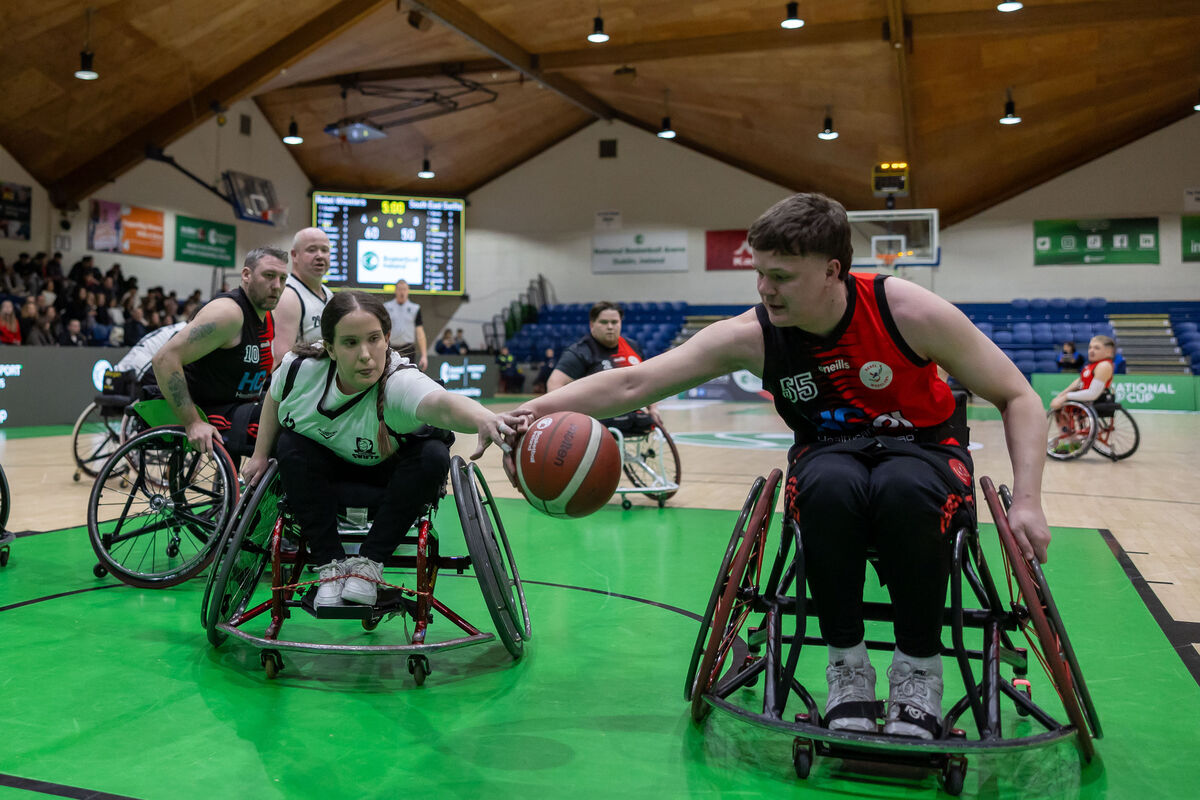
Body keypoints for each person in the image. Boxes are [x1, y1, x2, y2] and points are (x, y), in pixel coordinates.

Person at [509, 192, 1051, 740]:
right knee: (829, 487)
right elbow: (633, 383)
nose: (765, 289)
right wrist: (523, 414)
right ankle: (848, 671)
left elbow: (1019, 397)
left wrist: (1028, 501)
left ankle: (918, 673)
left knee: (903, 488)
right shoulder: (755, 333)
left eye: (782, 276)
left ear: (832, 271)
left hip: (924, 449)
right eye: (760, 273)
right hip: (829, 452)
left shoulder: (906, 310)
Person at [241, 291, 524, 608]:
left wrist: (485, 418)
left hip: (389, 476)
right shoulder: (300, 369)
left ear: (387, 338)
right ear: (330, 348)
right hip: (325, 474)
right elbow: (275, 397)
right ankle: (329, 565)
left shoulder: (399, 382)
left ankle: (370, 564)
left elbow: (443, 405)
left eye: (374, 339)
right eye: (350, 343)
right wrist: (260, 455)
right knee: (289, 444)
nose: (365, 355)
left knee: (433, 455)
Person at [150, 247, 286, 456]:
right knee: (286, 432)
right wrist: (193, 422)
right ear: (246, 275)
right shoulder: (228, 314)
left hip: (235, 407)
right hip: (201, 409)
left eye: (283, 278)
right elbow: (164, 359)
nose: (277, 286)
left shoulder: (266, 317)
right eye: (269, 275)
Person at [549, 300, 660, 431]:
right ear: (592, 324)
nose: (610, 327)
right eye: (604, 322)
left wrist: (653, 408)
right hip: (600, 419)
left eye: (614, 322)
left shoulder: (633, 346)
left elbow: (646, 381)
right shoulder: (580, 352)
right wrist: (569, 417)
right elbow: (554, 384)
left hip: (635, 415)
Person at [273, 227, 334, 361]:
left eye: (324, 250)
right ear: (294, 255)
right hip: (301, 375)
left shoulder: (328, 294)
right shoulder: (288, 295)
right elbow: (280, 358)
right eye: (311, 250)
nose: (320, 256)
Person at [1049, 335, 1115, 415]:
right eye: (1090, 347)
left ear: (1108, 352)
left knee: (1060, 406)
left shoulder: (1104, 365)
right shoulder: (1091, 366)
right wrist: (1060, 395)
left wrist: (1065, 397)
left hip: (1093, 400)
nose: (1091, 351)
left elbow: (1093, 394)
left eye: (1097, 348)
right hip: (1084, 399)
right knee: (1058, 406)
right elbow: (1078, 382)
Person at [383, 280, 427, 370]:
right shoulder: (387, 307)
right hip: (392, 348)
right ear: (395, 291)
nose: (402, 292)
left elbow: (420, 332)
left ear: (408, 291)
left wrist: (424, 355)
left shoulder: (415, 308)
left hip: (408, 349)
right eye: (400, 289)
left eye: (404, 289)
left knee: (408, 374)